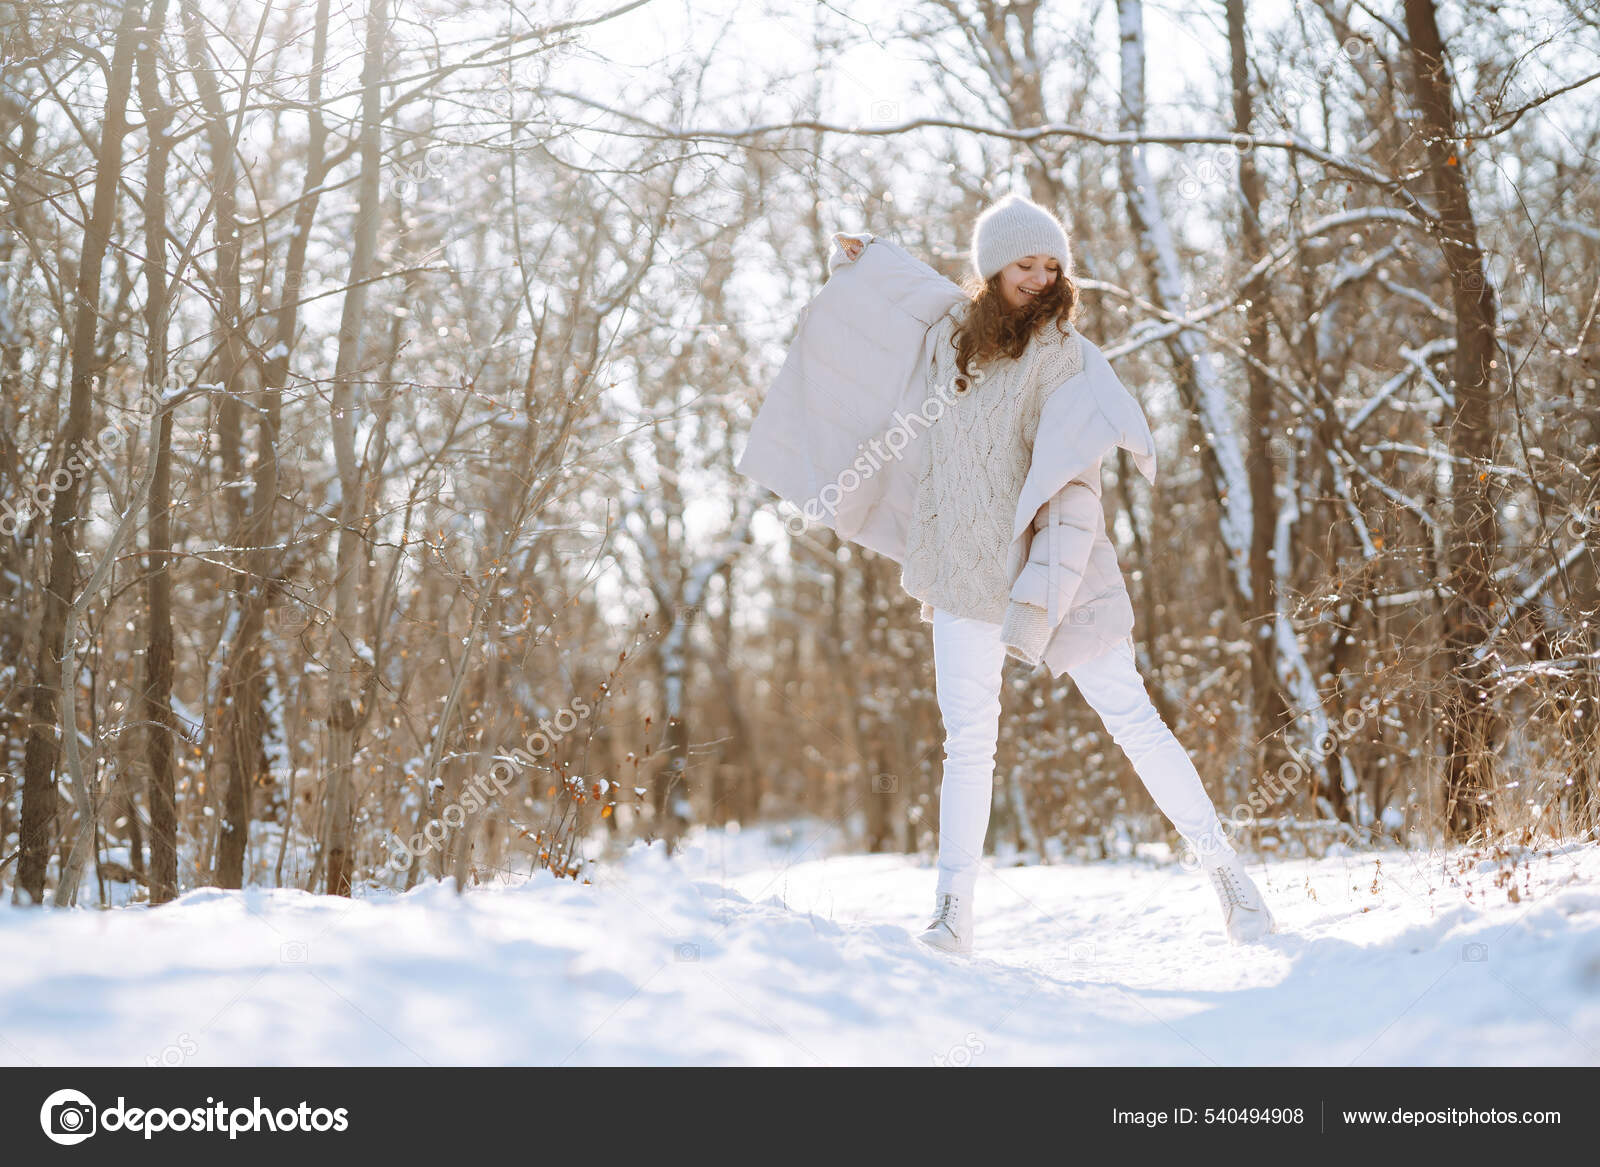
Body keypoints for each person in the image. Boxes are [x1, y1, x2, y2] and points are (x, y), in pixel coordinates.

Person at [835, 195, 1276, 955]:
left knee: (1134, 720)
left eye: (1051, 265)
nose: (1040, 278)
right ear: (991, 270)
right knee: (968, 743)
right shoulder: (952, 339)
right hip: (964, 568)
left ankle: (1230, 877)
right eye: (1024, 264)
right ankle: (951, 911)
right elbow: (912, 298)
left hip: (1061, 571)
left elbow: (1075, 499)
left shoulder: (1066, 356)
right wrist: (866, 257)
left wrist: (1038, 607)